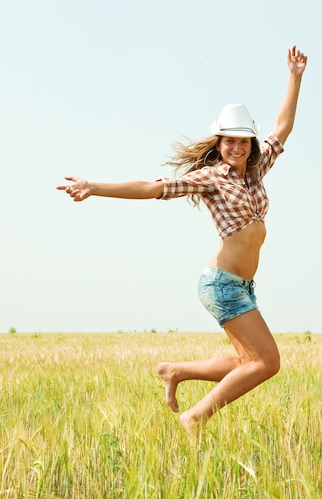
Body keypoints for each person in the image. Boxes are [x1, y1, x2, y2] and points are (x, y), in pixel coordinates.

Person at [57, 45, 308, 431]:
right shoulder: (209, 179)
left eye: (243, 141)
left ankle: (175, 371)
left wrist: (294, 76)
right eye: (229, 141)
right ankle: (195, 417)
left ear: (250, 144)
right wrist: (94, 186)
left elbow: (283, 126)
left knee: (248, 362)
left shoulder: (257, 170)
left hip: (241, 285)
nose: (237, 147)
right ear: (218, 144)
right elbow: (152, 187)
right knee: (267, 363)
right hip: (222, 285)